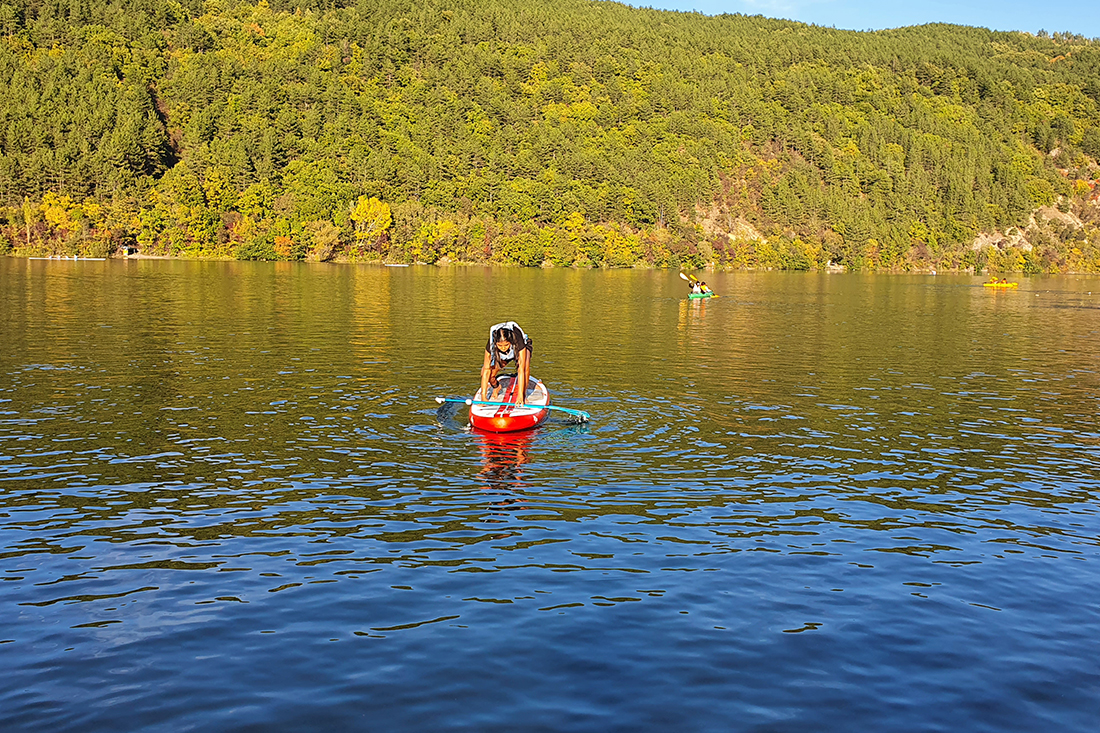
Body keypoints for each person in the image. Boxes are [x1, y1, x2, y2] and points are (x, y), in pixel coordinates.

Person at [480, 322, 533, 407]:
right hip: (502, 355)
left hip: (520, 349)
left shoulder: (518, 340)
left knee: (525, 366)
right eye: (500, 345)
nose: (503, 348)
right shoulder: (491, 345)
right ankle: (496, 387)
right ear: (495, 344)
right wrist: (483, 397)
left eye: (506, 345)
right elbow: (486, 370)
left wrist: (520, 396)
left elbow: (521, 370)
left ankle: (524, 395)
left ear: (510, 342)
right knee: (488, 373)